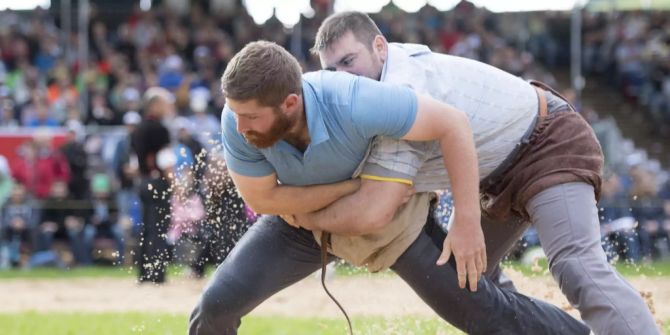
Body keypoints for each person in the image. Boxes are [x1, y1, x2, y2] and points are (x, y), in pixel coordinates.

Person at [188, 40, 589, 335]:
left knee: (487, 316)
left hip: (394, 225)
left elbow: (452, 124)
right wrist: (349, 190)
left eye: (251, 117)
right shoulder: (236, 119)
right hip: (300, 226)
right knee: (216, 305)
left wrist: (467, 219)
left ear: (291, 104)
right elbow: (263, 199)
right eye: (235, 113)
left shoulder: (353, 99)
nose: (239, 127)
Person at [296, 11, 658, 335]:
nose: (343, 77)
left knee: (576, 266)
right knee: (466, 281)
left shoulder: (403, 85)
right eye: (332, 71)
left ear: (380, 47)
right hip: (495, 173)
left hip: (546, 145)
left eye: (348, 61)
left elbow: (382, 193)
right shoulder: (367, 94)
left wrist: (466, 219)